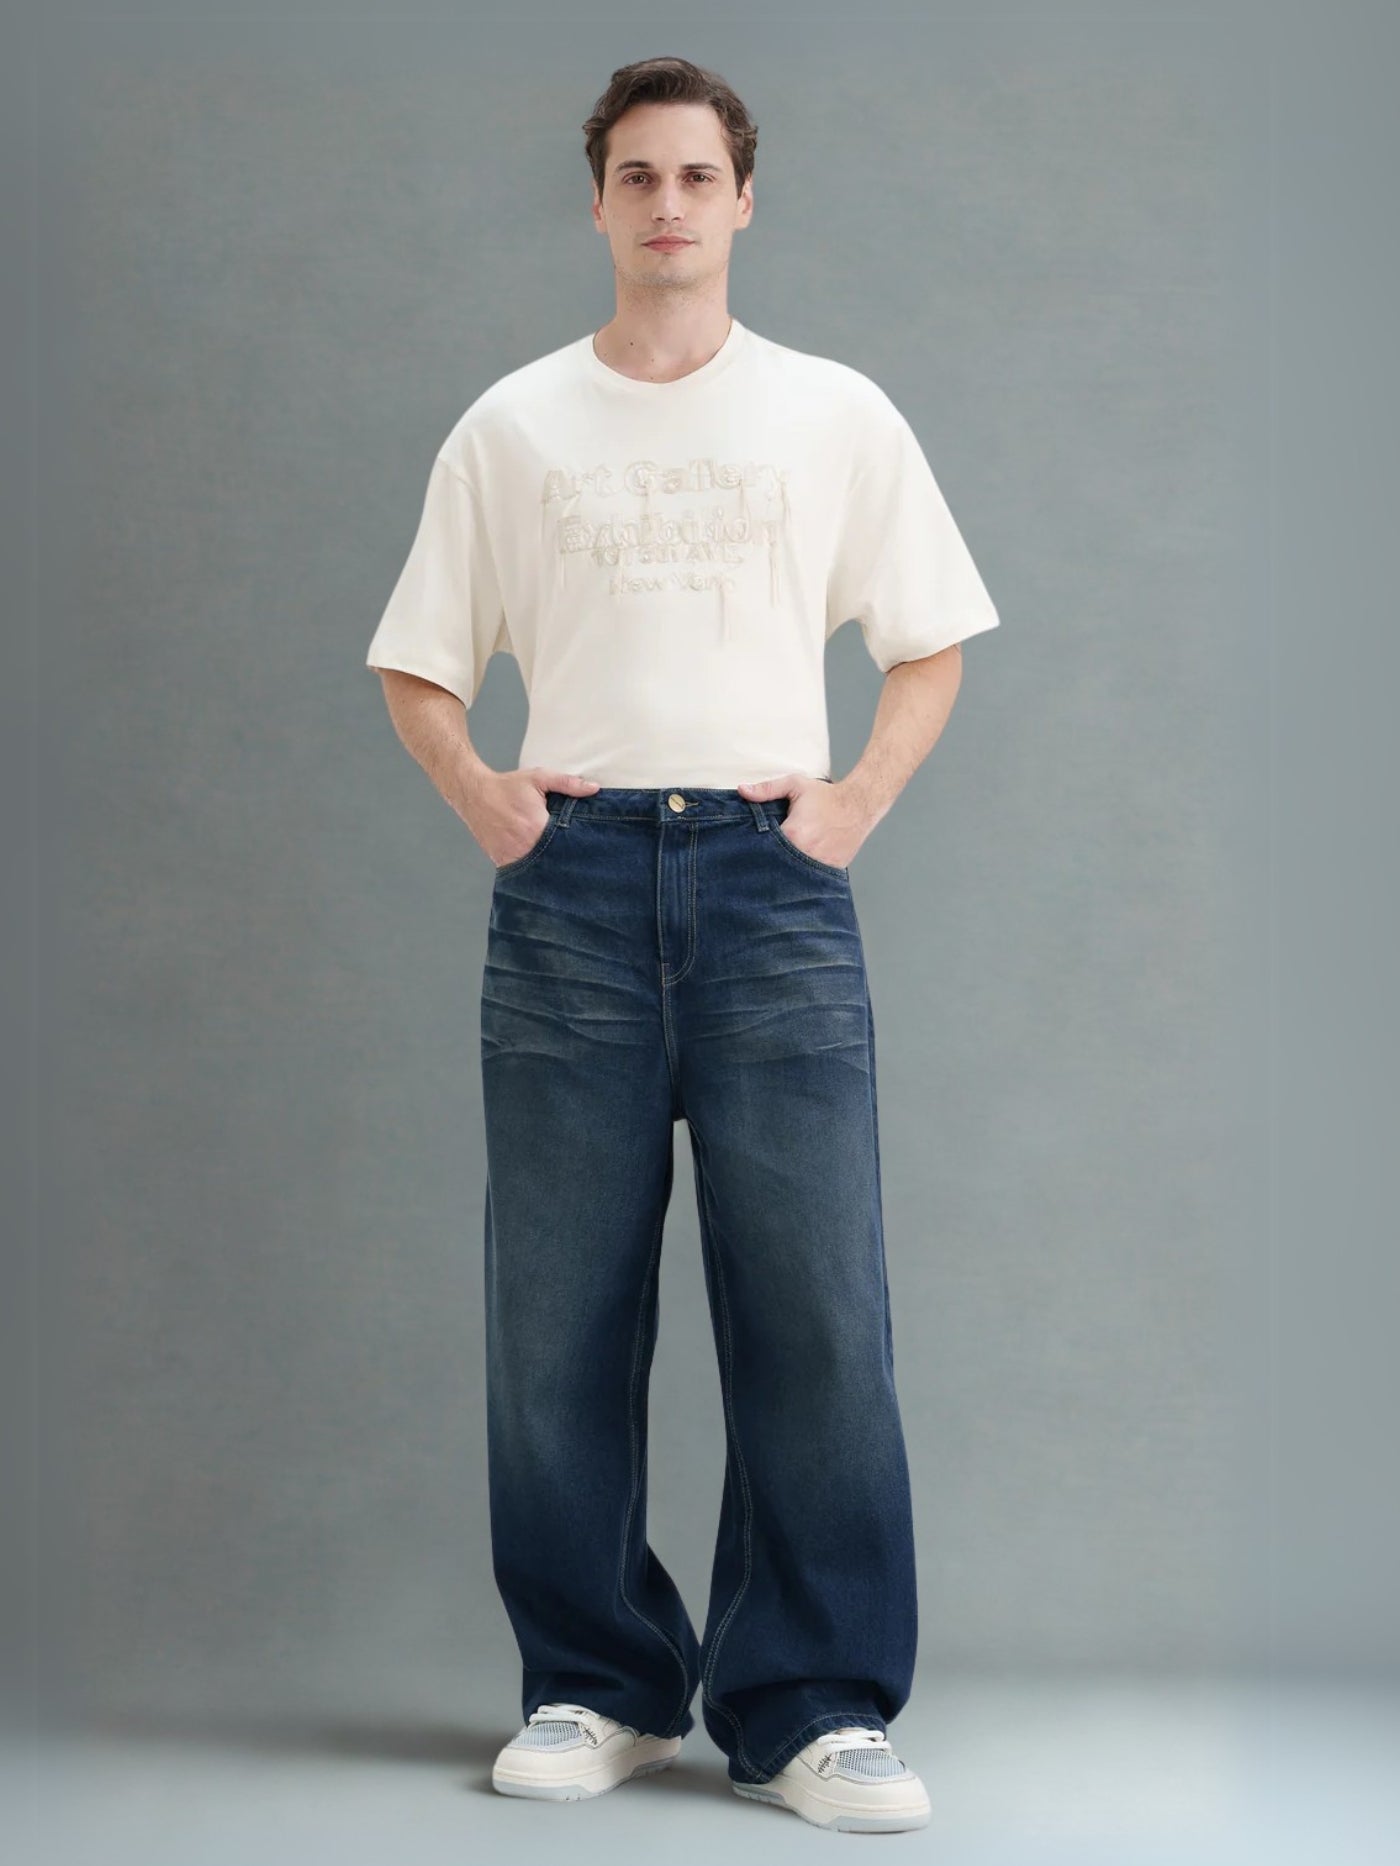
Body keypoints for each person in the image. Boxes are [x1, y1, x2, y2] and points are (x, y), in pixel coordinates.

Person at [365, 56, 998, 1835]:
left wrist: (851, 803)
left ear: (743, 201)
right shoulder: (513, 427)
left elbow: (931, 640)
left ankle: (813, 1703)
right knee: (556, 1310)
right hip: (569, 891)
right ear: (597, 204)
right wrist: (489, 802)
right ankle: (598, 1682)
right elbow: (417, 662)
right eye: (635, 176)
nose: (666, 204)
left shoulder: (833, 413)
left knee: (818, 1307)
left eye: (696, 176)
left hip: (769, 884)